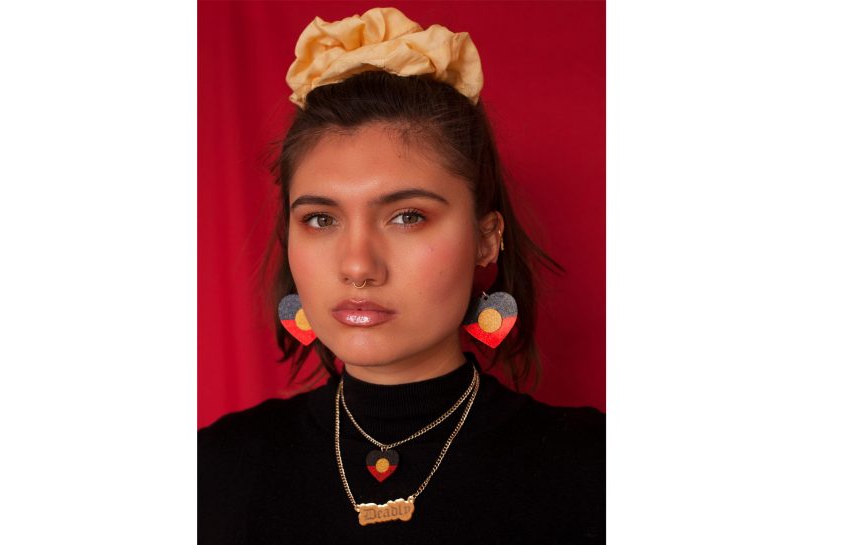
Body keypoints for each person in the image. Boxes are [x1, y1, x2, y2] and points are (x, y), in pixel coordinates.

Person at [199, 7, 604, 544]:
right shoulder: (210, 470)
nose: (358, 265)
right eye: (320, 219)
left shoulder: (595, 472)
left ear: (486, 236)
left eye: (407, 216)